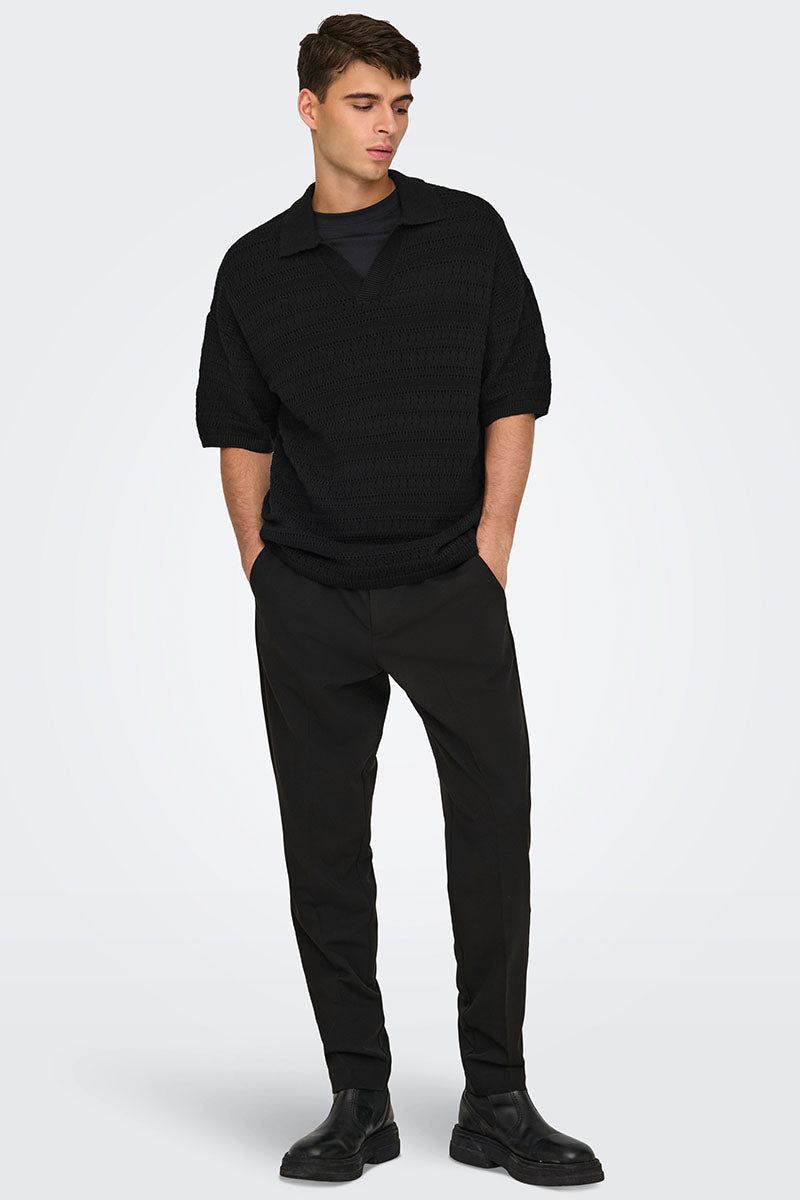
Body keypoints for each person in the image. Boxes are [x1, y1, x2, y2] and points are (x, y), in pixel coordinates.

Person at [194, 12, 604, 1188]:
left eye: (403, 104)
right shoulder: (255, 268)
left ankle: (497, 1102)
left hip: (445, 584)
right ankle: (356, 1099)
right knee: (324, 847)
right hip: (308, 596)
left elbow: (513, 389)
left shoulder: (466, 233)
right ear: (310, 107)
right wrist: (262, 566)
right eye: (365, 102)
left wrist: (490, 547)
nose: (388, 126)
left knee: (492, 831)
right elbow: (238, 430)